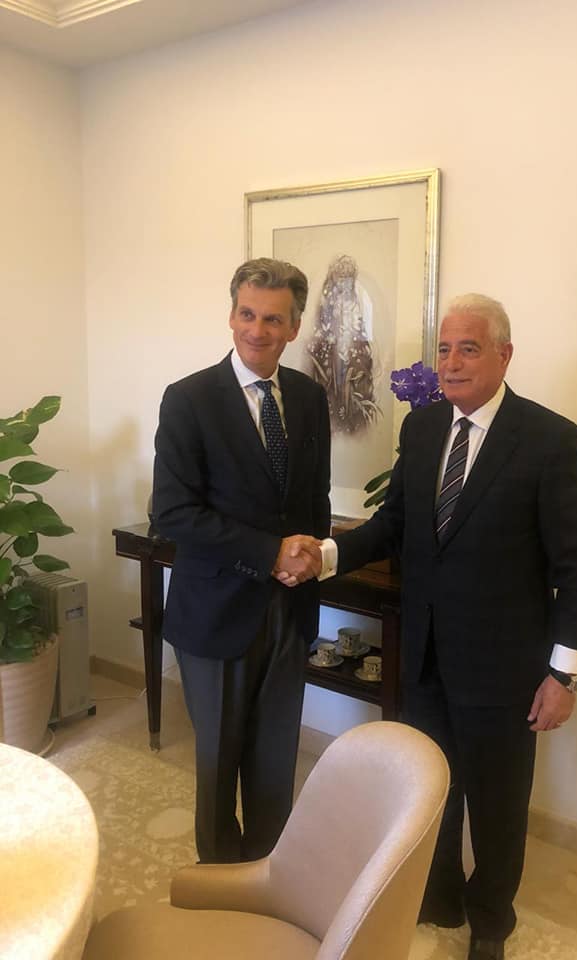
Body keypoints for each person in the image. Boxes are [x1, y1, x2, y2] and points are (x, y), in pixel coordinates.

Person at [280, 293, 577, 960]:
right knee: (431, 789)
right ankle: (441, 895)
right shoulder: (423, 429)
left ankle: (491, 922)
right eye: (445, 349)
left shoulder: (551, 441)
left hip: (505, 670)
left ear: (504, 356)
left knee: (498, 804)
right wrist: (327, 554)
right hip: (424, 656)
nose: (451, 363)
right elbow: (393, 524)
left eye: (469, 349)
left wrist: (563, 674)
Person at [151, 257, 329, 864]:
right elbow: (172, 514)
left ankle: (267, 873)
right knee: (218, 761)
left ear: (294, 327)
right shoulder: (189, 399)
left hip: (289, 608)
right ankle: (220, 880)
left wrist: (309, 556)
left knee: (275, 759)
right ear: (231, 316)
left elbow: (314, 499)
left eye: (273, 319)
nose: (258, 330)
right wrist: (268, 552)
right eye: (248, 314)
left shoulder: (308, 397)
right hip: (215, 611)